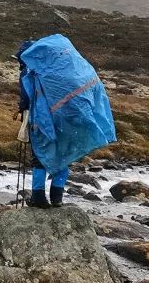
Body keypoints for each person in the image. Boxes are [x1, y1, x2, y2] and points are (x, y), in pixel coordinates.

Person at [14, 35, 116, 208]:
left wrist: (21, 107)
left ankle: (38, 197)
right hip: (69, 120)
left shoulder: (30, 72)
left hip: (43, 120)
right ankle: (57, 197)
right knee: (63, 154)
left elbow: (27, 98)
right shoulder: (62, 68)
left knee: (40, 156)